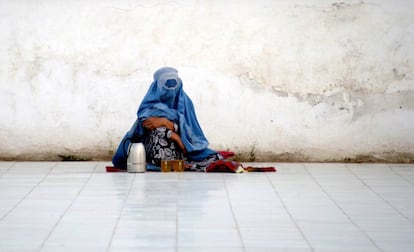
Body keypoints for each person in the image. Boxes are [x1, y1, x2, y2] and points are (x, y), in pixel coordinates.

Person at [112, 67, 223, 171]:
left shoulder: (185, 103)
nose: (171, 89)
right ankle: (172, 163)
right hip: (154, 149)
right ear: (156, 86)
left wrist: (166, 123)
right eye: (166, 84)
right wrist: (171, 132)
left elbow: (192, 130)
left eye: (174, 83)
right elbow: (148, 125)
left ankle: (178, 162)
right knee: (160, 131)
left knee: (215, 157)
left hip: (182, 147)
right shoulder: (148, 106)